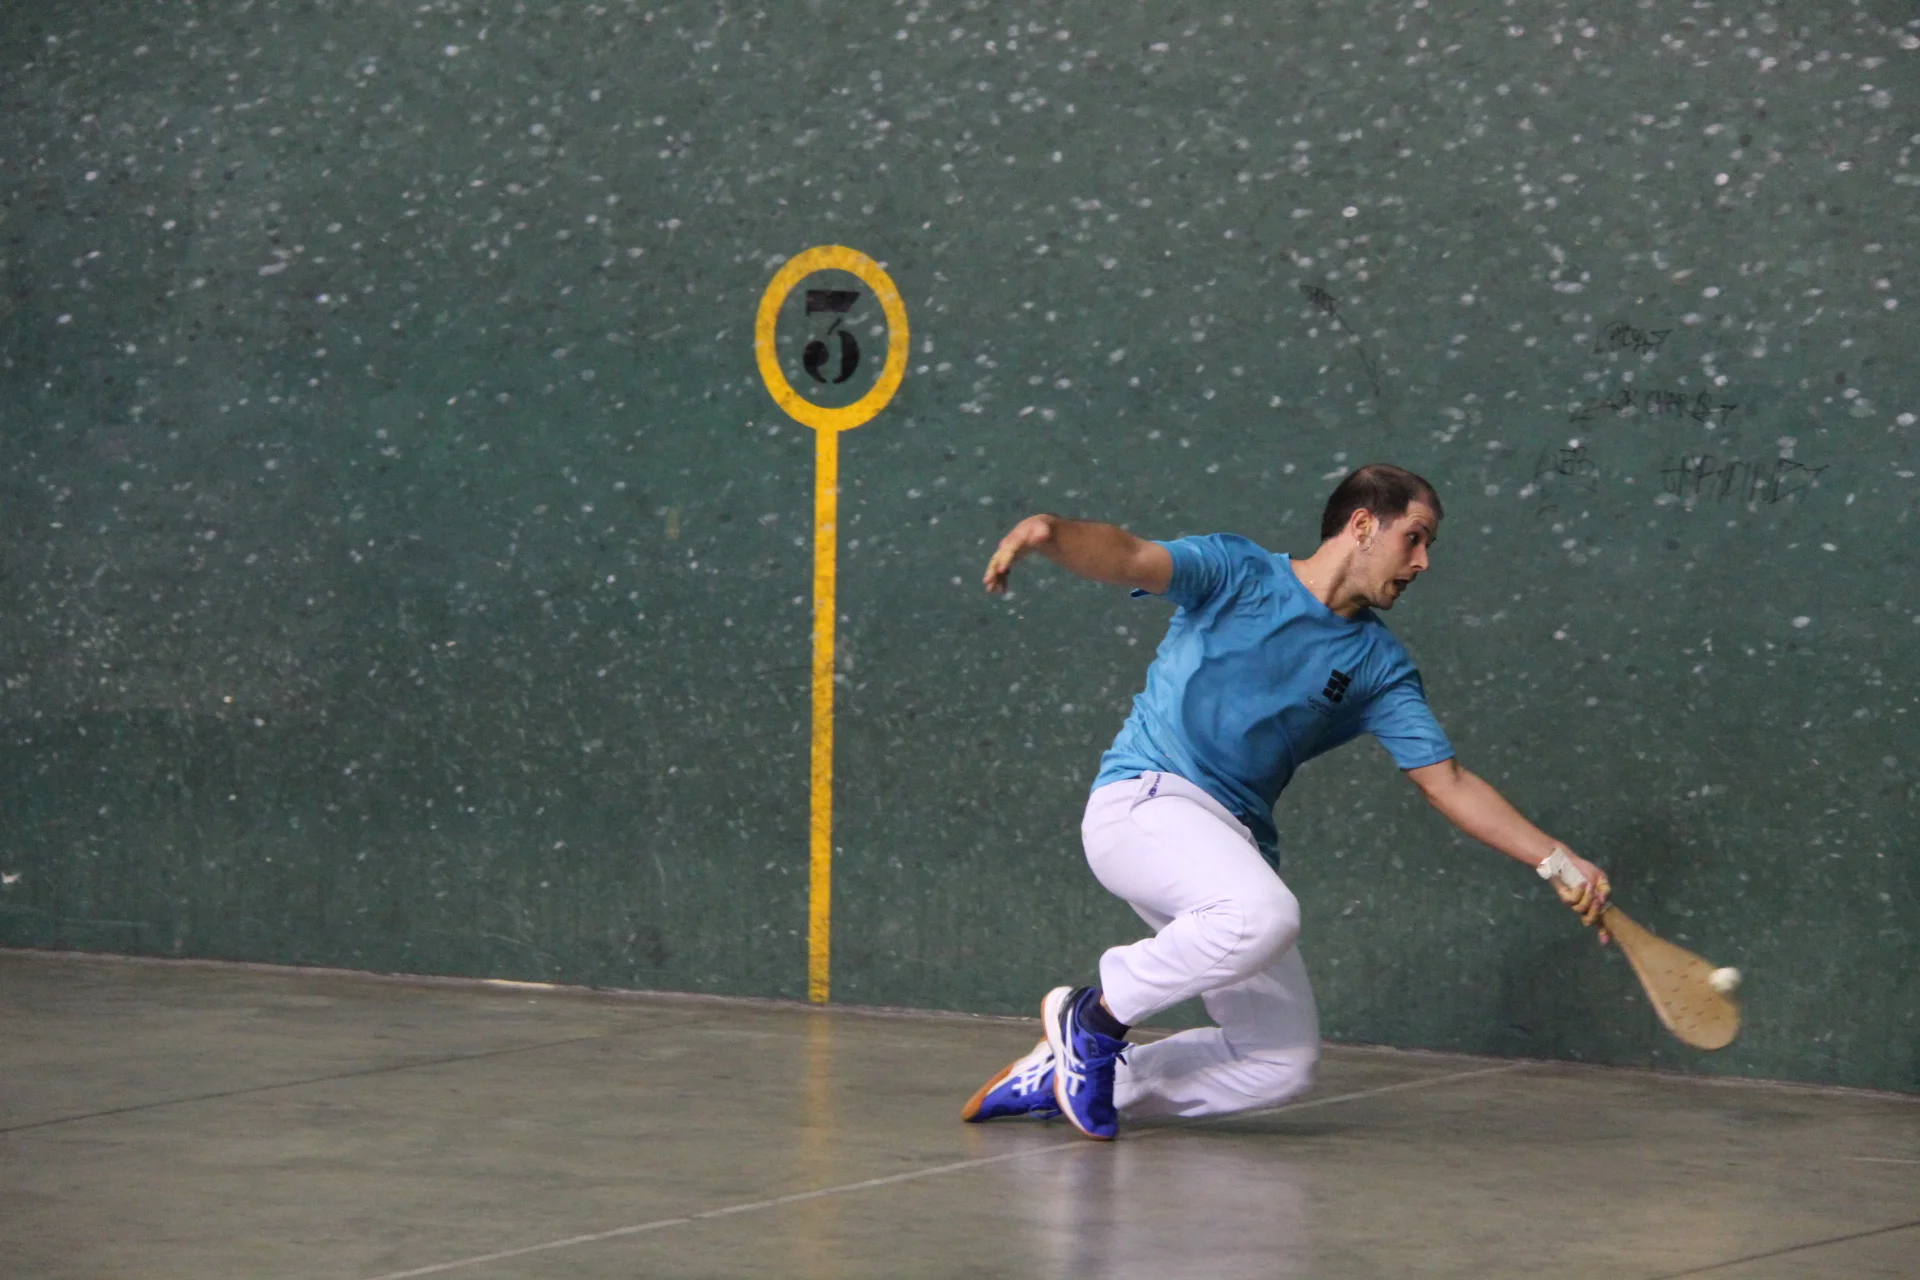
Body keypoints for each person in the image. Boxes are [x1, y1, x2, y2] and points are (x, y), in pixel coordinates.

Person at [959, 464, 1611, 1141]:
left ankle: (1066, 1074)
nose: (1423, 561)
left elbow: (1447, 780)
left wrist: (1558, 861)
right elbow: (1130, 555)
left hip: (1228, 849)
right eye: (1415, 538)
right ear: (1363, 525)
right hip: (1144, 802)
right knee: (1262, 913)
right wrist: (1049, 534)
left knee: (1278, 1062)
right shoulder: (1237, 572)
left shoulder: (1378, 665)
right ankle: (1091, 1020)